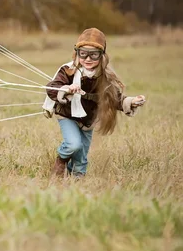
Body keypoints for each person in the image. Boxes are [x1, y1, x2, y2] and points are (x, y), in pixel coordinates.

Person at [42, 28, 146, 178]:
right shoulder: (68, 71)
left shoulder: (104, 76)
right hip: (67, 115)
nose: (88, 59)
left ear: (102, 55)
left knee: (81, 155)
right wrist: (66, 89)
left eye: (94, 54)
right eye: (83, 53)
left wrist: (131, 102)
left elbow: (114, 98)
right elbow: (51, 88)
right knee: (73, 144)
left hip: (88, 120)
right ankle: (61, 160)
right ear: (77, 53)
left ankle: (77, 180)